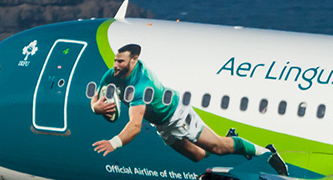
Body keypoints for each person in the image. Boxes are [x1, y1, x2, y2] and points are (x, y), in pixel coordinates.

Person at [90, 44, 261, 163]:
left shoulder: (141, 85)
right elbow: (96, 96)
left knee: (219, 148)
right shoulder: (112, 74)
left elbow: (135, 126)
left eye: (121, 61)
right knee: (197, 156)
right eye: (115, 60)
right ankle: (230, 138)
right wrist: (96, 108)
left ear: (134, 61)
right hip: (161, 124)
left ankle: (263, 152)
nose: (116, 65)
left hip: (177, 115)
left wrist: (113, 143)